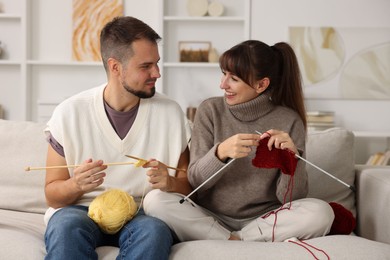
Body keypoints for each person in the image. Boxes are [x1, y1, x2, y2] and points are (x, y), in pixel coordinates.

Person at [144, 40, 334, 242]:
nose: (222, 84)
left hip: (265, 219)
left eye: (233, 78)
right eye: (224, 74)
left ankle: (235, 240)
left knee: (322, 212)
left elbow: (290, 200)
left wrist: (292, 160)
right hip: (210, 217)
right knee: (155, 200)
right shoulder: (210, 111)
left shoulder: (289, 120)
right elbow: (196, 182)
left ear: (261, 85)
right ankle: (234, 239)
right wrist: (220, 153)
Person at [43, 16, 192, 260]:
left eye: (157, 63)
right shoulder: (69, 113)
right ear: (115, 67)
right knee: (65, 227)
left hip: (142, 213)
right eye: (146, 66)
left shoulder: (171, 113)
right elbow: (52, 194)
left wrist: (171, 183)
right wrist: (75, 185)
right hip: (81, 210)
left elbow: (189, 186)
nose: (157, 73)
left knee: (154, 231)